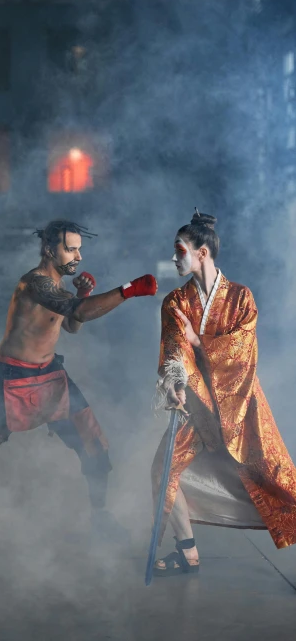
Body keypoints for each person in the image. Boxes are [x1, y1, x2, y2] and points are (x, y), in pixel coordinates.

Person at [0, 219, 158, 539]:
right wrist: (128, 290)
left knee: (94, 444)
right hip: (12, 379)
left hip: (50, 377)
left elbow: (71, 326)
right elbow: (77, 313)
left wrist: (84, 293)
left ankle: (99, 519)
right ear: (50, 250)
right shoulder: (35, 283)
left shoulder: (59, 288)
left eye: (80, 249)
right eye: (71, 249)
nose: (78, 256)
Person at [151, 210, 296, 577]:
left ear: (201, 252)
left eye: (179, 250)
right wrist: (177, 381)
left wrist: (199, 342)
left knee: (278, 479)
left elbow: (243, 351)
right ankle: (187, 553)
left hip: (241, 404)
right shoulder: (174, 302)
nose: (174, 258)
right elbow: (173, 351)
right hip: (196, 406)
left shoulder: (241, 298)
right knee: (162, 472)